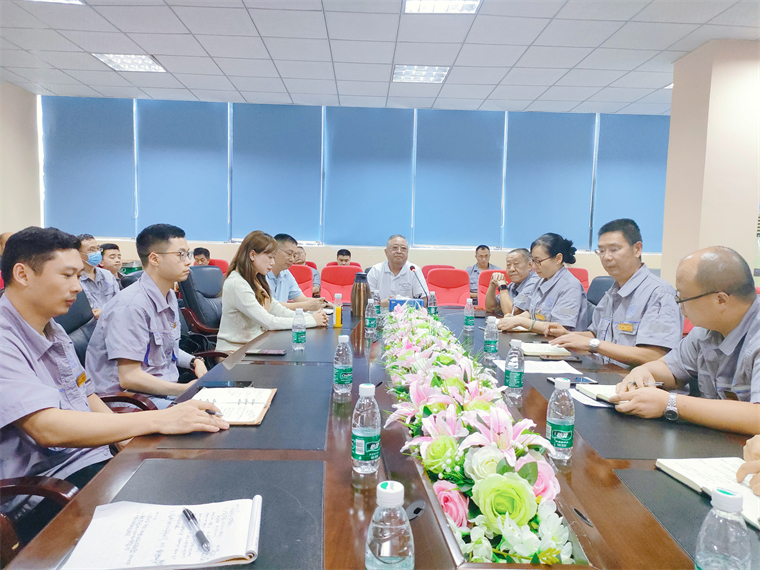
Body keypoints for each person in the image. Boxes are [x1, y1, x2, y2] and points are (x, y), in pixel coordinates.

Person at [0, 227, 228, 544]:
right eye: (67, 275)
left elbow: (86, 393)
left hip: (90, 458)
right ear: (23, 274)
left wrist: (126, 441)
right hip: (45, 489)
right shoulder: (5, 339)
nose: (77, 287)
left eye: (78, 275)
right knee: (162, 522)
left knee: (190, 479)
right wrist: (158, 419)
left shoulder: (51, 328)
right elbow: (46, 428)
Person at [609, 246, 759, 435]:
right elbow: (670, 369)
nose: (679, 305)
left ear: (721, 300)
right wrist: (643, 371)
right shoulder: (706, 331)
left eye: (683, 299)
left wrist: (670, 403)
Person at [86, 224, 208, 408]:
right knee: (210, 416)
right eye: (181, 255)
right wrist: (185, 390)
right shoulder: (131, 306)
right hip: (129, 401)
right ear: (154, 259)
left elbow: (166, 350)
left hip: (161, 393)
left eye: (187, 254)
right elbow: (129, 377)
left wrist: (194, 361)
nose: (188, 262)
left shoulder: (168, 296)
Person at [549, 219, 683, 367]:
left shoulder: (659, 294)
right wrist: (568, 336)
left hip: (632, 379)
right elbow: (596, 334)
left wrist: (594, 344)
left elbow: (655, 356)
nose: (606, 257)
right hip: (602, 372)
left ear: (637, 249)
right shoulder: (613, 292)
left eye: (614, 249)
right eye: (601, 251)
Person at [217, 231, 328, 352]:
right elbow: (269, 321)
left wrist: (311, 317)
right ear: (252, 255)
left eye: (274, 258)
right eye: (270, 257)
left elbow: (277, 310)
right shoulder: (237, 283)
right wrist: (311, 321)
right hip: (235, 352)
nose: (273, 263)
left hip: (256, 346)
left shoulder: (256, 280)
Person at [497, 233, 589, 334]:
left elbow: (558, 329)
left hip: (562, 342)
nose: (534, 266)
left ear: (558, 258)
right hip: (540, 338)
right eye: (533, 261)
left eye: (538, 261)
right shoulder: (540, 280)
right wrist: (513, 319)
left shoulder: (570, 286)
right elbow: (531, 312)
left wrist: (520, 321)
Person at [267, 233, 329, 311]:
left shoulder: (286, 273)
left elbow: (301, 298)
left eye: (294, 255)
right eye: (289, 254)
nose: (292, 259)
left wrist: (322, 303)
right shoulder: (261, 274)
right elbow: (269, 306)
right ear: (274, 251)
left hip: (281, 316)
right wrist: (306, 306)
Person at [367, 235, 428, 306]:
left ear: (407, 252)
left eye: (403, 248)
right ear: (386, 252)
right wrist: (384, 303)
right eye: (395, 248)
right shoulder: (376, 270)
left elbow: (424, 301)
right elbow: (365, 301)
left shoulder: (414, 270)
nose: (399, 251)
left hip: (407, 312)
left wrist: (399, 302)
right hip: (380, 312)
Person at [484, 248, 539, 315]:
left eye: (516, 264)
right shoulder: (513, 285)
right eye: (508, 265)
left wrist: (503, 286)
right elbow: (490, 308)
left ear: (529, 265)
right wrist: (492, 285)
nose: (511, 269)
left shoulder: (534, 282)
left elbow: (511, 312)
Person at [77, 234, 120, 319]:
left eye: (97, 248)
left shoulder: (108, 275)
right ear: (79, 254)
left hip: (112, 323)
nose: (97, 252)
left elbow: (120, 304)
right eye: (91, 250)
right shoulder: (75, 279)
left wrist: (104, 312)